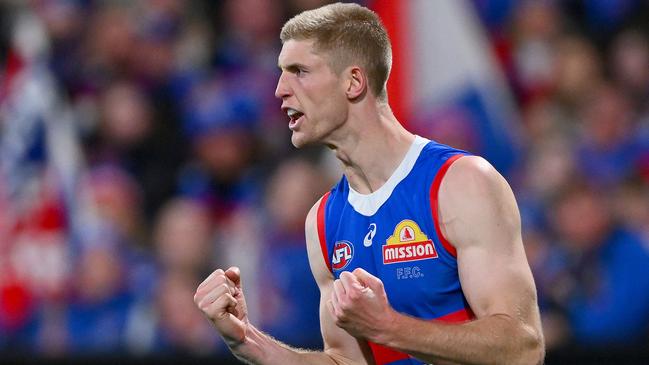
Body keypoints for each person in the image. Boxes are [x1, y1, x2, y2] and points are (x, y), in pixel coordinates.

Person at [194, 3, 545, 365]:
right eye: (282, 72)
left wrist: (388, 327)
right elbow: (346, 362)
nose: (280, 90)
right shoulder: (323, 222)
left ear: (354, 81)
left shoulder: (461, 183)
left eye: (299, 71)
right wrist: (250, 343)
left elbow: (522, 348)